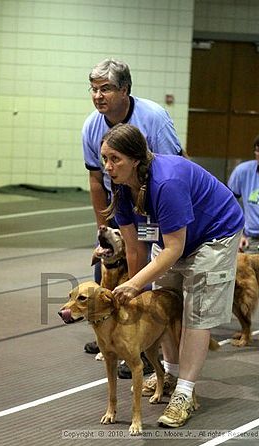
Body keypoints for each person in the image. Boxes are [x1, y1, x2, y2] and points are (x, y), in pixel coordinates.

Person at [100, 123, 244, 427]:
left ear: (136, 159)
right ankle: (169, 375)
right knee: (164, 306)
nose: (108, 166)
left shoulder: (167, 182)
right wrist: (136, 293)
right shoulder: (120, 186)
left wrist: (136, 283)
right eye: (104, 159)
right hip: (171, 240)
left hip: (214, 233)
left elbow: (175, 248)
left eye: (115, 159)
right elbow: (134, 247)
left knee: (196, 313)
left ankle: (185, 393)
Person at [82, 58, 182, 369]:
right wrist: (102, 231)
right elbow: (97, 179)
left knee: (149, 271)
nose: (99, 95)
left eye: (106, 89)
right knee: (107, 271)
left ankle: (145, 345)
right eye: (94, 89)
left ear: (125, 90)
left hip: (155, 203)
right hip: (121, 202)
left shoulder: (154, 117)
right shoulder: (91, 126)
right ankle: (114, 333)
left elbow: (175, 169)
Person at [228, 132, 259, 252]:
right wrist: (238, 233)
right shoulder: (242, 171)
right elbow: (228, 205)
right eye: (258, 150)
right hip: (249, 238)